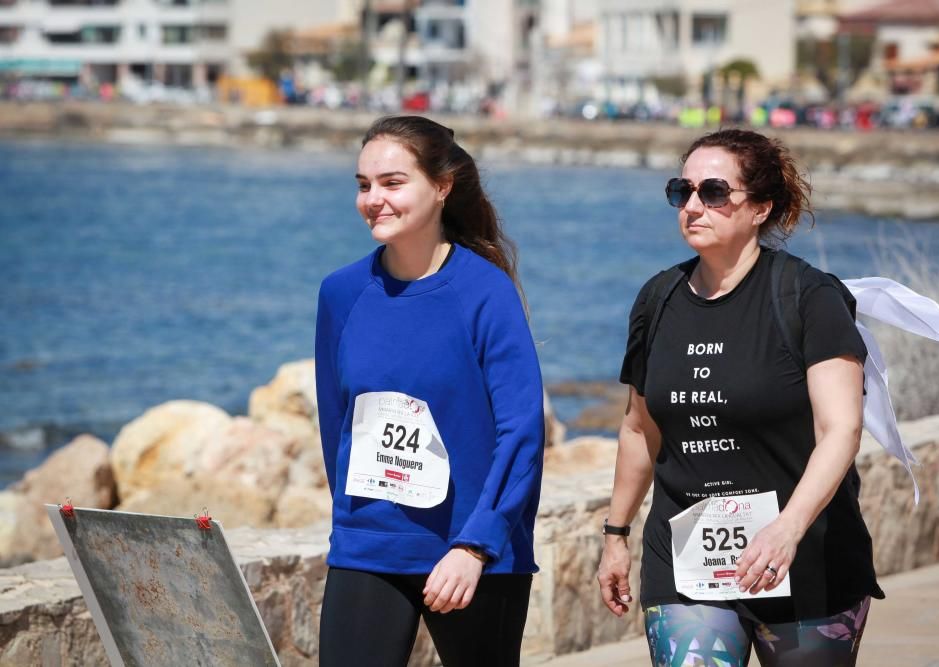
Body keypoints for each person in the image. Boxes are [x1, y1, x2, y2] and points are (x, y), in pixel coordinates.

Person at [597, 128, 884, 667]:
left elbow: (841, 429)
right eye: (681, 192)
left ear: (760, 208)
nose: (693, 206)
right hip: (687, 563)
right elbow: (639, 428)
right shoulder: (657, 299)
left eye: (713, 192)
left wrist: (786, 529)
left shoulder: (810, 296)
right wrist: (616, 535)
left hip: (804, 556)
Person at [315, 115, 544, 667]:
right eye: (364, 185)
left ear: (442, 187)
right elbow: (335, 425)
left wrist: (476, 544)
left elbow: (521, 430)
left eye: (392, 183)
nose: (374, 199)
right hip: (368, 545)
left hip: (474, 554)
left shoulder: (486, 290)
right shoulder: (340, 293)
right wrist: (352, 520)